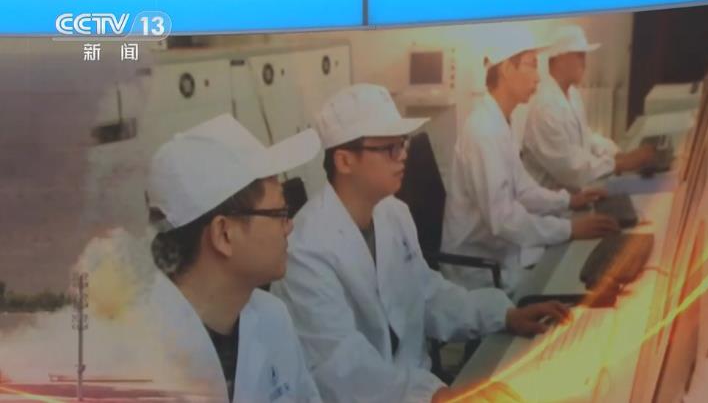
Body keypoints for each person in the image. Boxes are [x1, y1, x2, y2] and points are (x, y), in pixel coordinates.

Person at [272, 84, 569, 403]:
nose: (403, 156)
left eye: (403, 144)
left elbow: (426, 294)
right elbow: (341, 365)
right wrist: (435, 395)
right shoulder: (305, 250)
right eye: (389, 148)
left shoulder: (393, 213)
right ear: (344, 161)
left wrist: (503, 314)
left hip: (415, 389)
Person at [145, 114, 323, 402]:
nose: (290, 226)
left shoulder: (272, 317)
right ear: (224, 234)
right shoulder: (132, 359)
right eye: (280, 213)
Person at [442, 32, 619, 293]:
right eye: (532, 65)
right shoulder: (483, 132)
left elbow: (523, 189)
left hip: (503, 251)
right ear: (506, 68)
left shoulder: (501, 121)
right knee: (568, 283)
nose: (538, 77)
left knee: (571, 265)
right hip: (479, 270)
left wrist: (569, 201)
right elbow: (503, 219)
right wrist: (569, 229)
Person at [523, 25, 656, 192]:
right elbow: (569, 168)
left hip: (572, 194)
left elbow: (586, 138)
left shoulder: (572, 94)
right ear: (560, 57)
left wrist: (616, 154)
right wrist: (619, 164)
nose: (585, 63)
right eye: (580, 55)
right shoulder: (544, 107)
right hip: (551, 202)